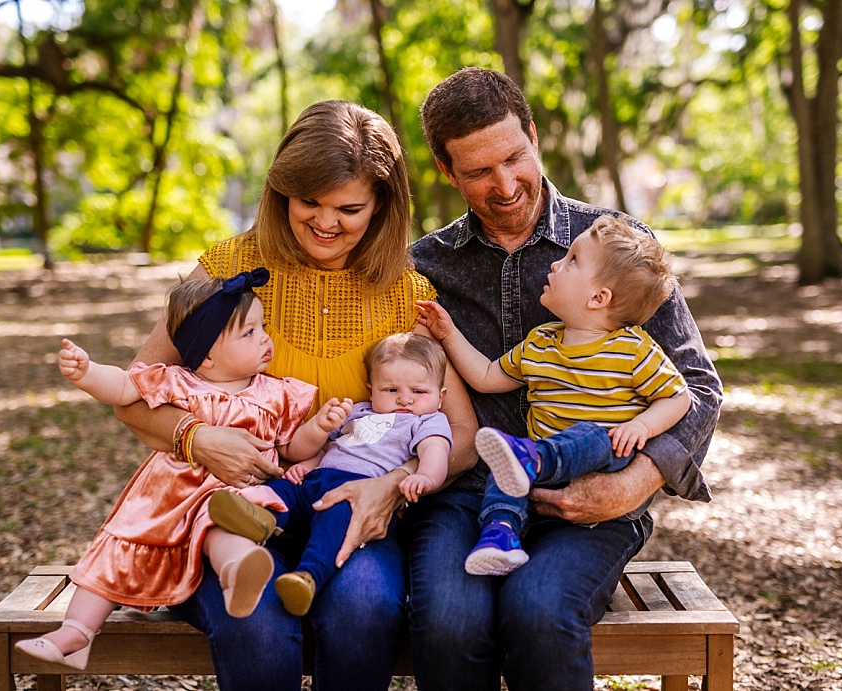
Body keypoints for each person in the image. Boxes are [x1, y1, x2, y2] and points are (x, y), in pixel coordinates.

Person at [113, 100, 478, 691]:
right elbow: (132, 391)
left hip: (350, 506)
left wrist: (391, 484)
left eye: (349, 208)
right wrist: (197, 437)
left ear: (382, 206)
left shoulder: (405, 293)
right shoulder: (228, 270)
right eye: (309, 200)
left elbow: (460, 437)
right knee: (254, 620)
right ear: (282, 189)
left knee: (363, 607)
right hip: (230, 512)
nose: (325, 222)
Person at [405, 67, 722, 690]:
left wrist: (632, 484)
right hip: (467, 491)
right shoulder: (427, 267)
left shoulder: (613, 244)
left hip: (595, 490)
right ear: (447, 171)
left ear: (533, 135)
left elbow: (696, 388)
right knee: (446, 622)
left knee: (540, 611)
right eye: (477, 172)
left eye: (514, 157)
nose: (504, 185)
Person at [14, 271, 349, 669]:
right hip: (168, 497)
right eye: (249, 332)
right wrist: (87, 373)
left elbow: (289, 447)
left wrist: (319, 428)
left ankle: (237, 572)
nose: (264, 338)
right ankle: (75, 635)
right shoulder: (179, 382)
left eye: (263, 328)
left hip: (234, 497)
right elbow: (123, 389)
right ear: (206, 355)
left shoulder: (275, 393)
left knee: (224, 522)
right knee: (118, 546)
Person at [416, 214, 692, 576]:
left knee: (590, 434)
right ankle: (500, 538)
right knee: (505, 469)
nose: (555, 263)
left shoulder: (634, 350)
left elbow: (679, 397)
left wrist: (642, 425)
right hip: (540, 466)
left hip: (600, 461)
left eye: (572, 260)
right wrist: (447, 333)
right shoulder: (540, 342)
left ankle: (529, 459)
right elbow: (485, 377)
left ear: (599, 297)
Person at [207, 332, 453, 615]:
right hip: (316, 481)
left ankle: (307, 577)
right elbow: (332, 446)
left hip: (359, 494)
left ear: (440, 395)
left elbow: (436, 452)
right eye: (391, 390)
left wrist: (425, 477)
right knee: (281, 489)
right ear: (371, 389)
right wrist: (309, 464)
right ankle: (256, 513)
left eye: (419, 392)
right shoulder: (359, 412)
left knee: (334, 526)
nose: (405, 399)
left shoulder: (428, 421)